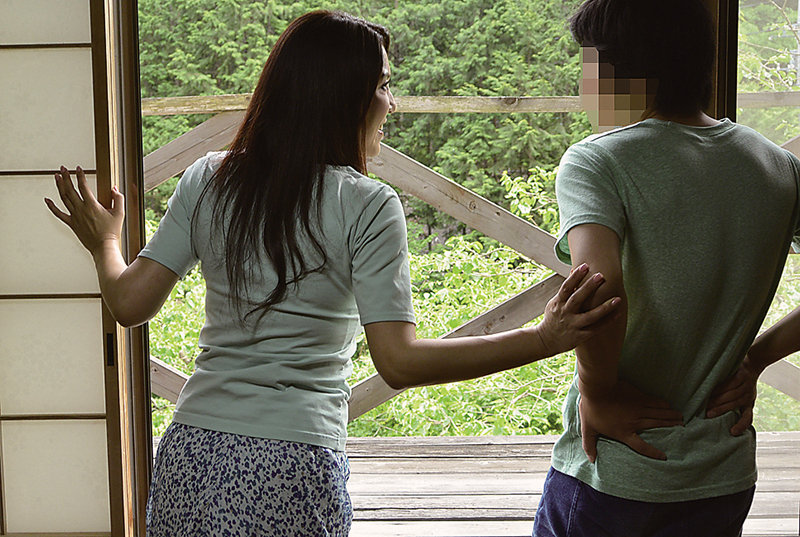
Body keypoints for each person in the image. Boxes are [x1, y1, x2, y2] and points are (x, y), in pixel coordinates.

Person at [45, 10, 627, 537]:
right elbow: (399, 362)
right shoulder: (367, 204)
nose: (391, 104)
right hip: (293, 466)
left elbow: (130, 304)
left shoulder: (209, 177)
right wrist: (541, 339)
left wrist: (106, 243)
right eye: (383, 85)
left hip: (192, 455)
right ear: (342, 97)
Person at [532, 0, 800, 536]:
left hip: (619, 468)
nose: (582, 82)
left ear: (621, 68)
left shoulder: (597, 160)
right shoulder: (777, 165)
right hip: (724, 471)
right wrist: (757, 357)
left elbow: (597, 292)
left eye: (587, 62)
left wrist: (597, 393)